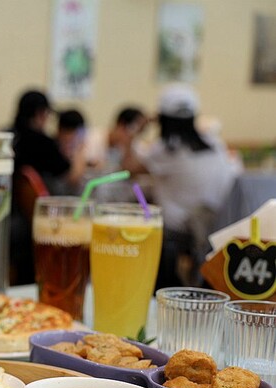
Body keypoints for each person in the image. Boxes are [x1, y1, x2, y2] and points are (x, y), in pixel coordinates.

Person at [122, 84, 240, 288]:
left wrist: (135, 129)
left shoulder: (169, 149)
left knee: (130, 215)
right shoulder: (214, 144)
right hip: (213, 227)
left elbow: (128, 167)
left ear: (162, 118)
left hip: (178, 231)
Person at [9, 89, 86, 285]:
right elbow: (73, 177)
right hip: (35, 228)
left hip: (4, 223)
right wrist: (79, 150)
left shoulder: (6, 135)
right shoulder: (42, 142)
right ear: (40, 113)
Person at [84, 106, 149, 173]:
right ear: (121, 124)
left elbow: (139, 170)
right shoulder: (92, 137)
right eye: (135, 130)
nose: (135, 136)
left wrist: (128, 149)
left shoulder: (134, 144)